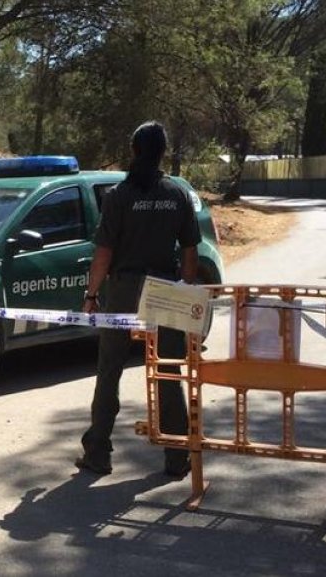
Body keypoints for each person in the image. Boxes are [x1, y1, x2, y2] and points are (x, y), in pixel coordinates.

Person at [76, 121, 200, 478]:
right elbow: (190, 251)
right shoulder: (176, 194)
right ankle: (177, 457)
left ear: (134, 150)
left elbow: (103, 254)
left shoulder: (118, 196)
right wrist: (184, 289)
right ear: (163, 152)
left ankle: (98, 451)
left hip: (123, 291)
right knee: (167, 371)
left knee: (109, 370)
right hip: (164, 291)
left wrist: (91, 294)